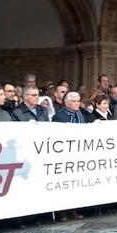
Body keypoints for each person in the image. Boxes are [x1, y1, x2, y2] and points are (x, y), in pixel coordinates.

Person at [51, 91, 85, 221]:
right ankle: (62, 212)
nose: (77, 103)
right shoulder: (59, 117)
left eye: (78, 101)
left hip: (78, 155)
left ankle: (73, 210)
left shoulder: (80, 114)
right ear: (67, 103)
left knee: (75, 184)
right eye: (74, 101)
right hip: (64, 156)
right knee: (63, 185)